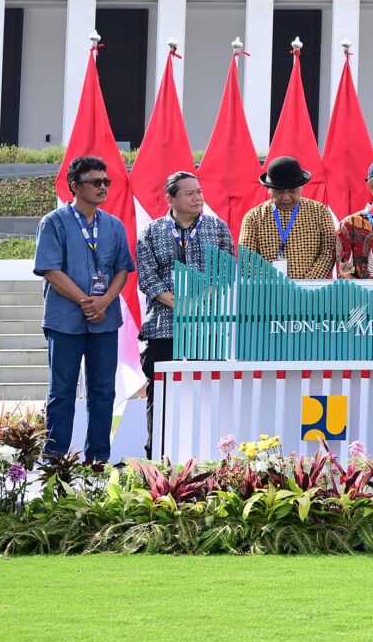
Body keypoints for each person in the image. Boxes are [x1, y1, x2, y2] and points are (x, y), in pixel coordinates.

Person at [33, 155, 134, 463]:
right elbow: (50, 270)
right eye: (96, 182)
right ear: (75, 187)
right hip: (65, 321)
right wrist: (86, 302)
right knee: (62, 393)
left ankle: (99, 460)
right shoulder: (53, 222)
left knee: (103, 392)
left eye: (106, 182)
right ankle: (55, 461)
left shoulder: (113, 225)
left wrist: (103, 301)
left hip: (104, 321)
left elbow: (122, 270)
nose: (103, 187)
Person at [134, 170, 235, 457]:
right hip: (163, 328)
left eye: (199, 192)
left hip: (207, 328)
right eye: (189, 193)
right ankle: (158, 457)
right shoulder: (152, 232)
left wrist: (200, 303)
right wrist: (179, 304)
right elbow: (148, 278)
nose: (197, 197)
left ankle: (210, 455)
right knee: (161, 394)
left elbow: (227, 273)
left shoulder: (217, 228)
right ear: (171, 198)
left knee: (208, 393)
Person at [238, 155, 338, 279]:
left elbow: (329, 251)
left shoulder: (320, 212)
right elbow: (247, 259)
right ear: (268, 189)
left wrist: (306, 284)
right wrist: (276, 284)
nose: (286, 197)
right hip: (268, 290)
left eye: (292, 191)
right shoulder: (253, 218)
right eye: (279, 191)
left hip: (310, 292)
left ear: (302, 187)